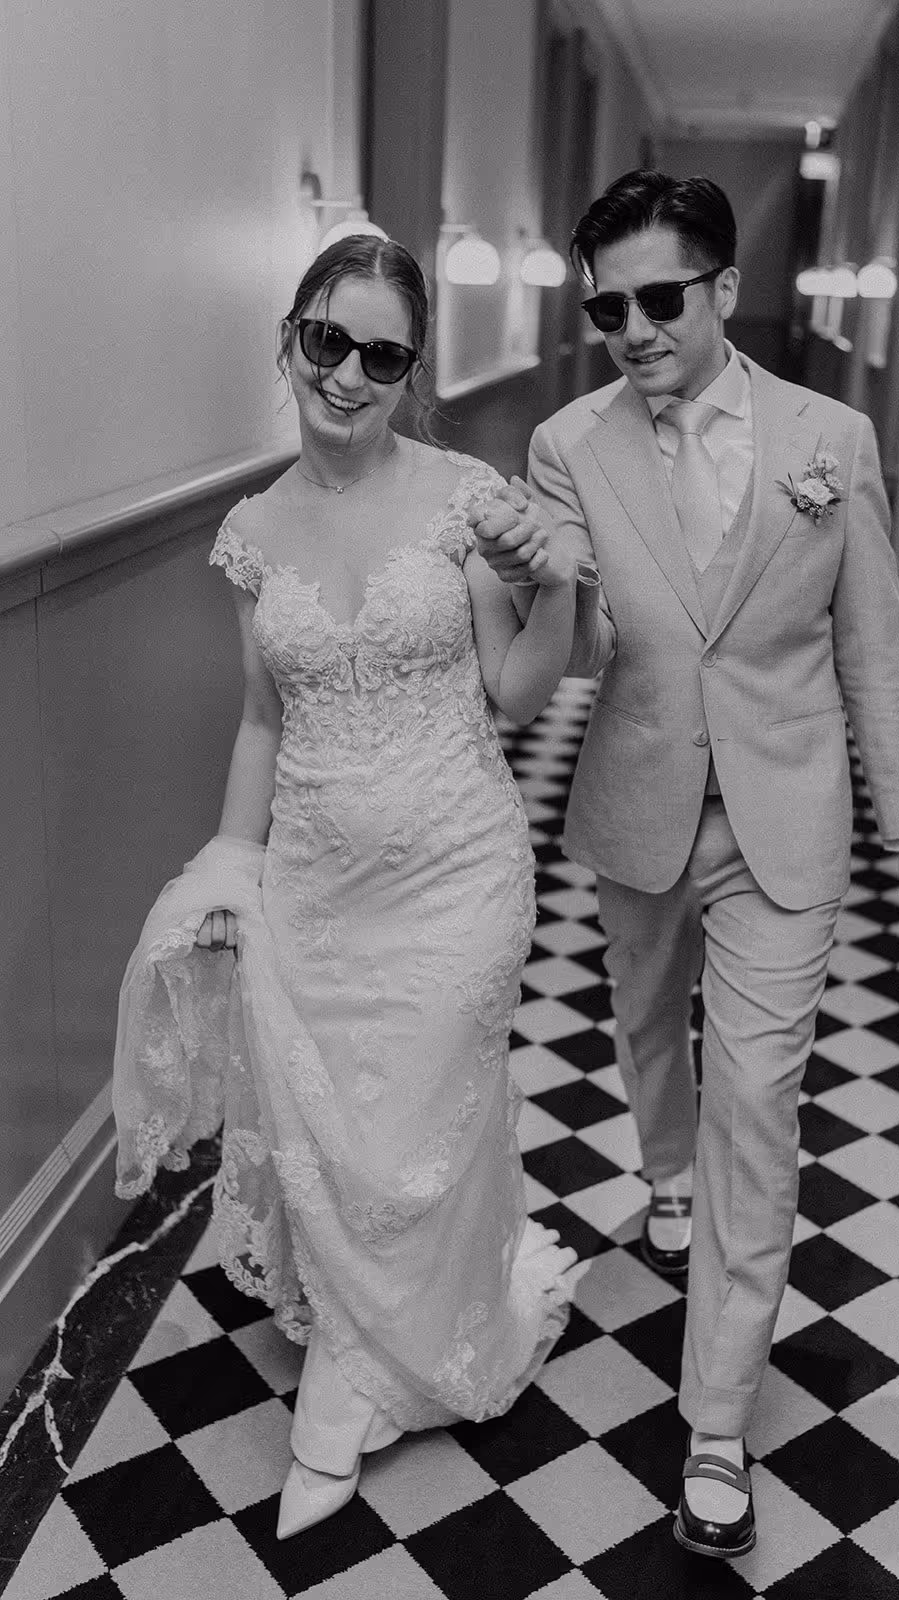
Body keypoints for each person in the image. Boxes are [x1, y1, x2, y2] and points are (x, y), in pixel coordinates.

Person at [472, 169, 899, 1561]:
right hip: (634, 794)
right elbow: (584, 639)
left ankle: (719, 1417)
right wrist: (531, 572)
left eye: (657, 298)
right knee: (643, 1022)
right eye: (606, 303)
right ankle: (659, 1166)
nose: (630, 327)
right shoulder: (566, 441)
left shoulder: (830, 438)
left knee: (761, 1099)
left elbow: (869, 647)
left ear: (724, 290)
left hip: (784, 815)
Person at [111, 233, 581, 1542]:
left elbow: (518, 689)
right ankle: (382, 1342)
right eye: (330, 341)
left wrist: (549, 587)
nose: (351, 373)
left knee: (419, 1129)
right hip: (319, 884)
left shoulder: (459, 496)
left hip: (459, 874)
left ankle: (345, 1396)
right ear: (291, 337)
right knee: (346, 1142)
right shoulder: (254, 529)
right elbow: (264, 718)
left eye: (384, 354)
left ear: (411, 371)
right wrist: (229, 865)